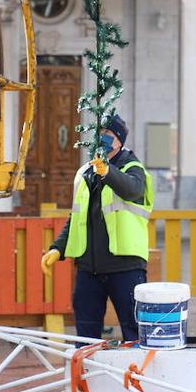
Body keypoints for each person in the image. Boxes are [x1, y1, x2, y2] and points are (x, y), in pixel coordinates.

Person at [41, 116, 154, 343]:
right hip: (89, 269)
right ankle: (85, 376)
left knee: (134, 331)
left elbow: (132, 190)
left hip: (125, 266)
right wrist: (57, 249)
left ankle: (138, 376)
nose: (102, 139)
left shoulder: (133, 167)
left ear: (119, 141)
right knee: (85, 333)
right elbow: (77, 218)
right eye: (99, 134)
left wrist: (108, 172)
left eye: (108, 135)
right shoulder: (86, 172)